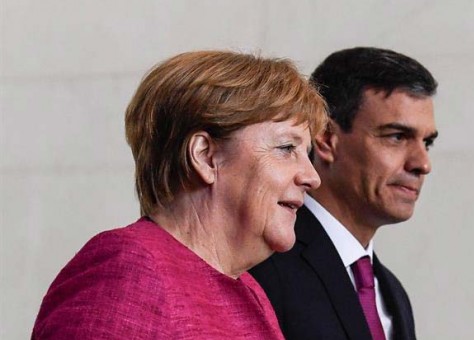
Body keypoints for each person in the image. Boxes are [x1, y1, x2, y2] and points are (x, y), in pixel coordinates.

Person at [32, 50, 327, 339]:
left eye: (306, 153)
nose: (311, 177)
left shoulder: (250, 292)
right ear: (205, 156)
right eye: (287, 148)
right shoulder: (130, 270)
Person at [250, 47, 438, 340]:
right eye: (397, 137)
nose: (422, 164)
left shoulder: (392, 292)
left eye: (427, 143)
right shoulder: (261, 265)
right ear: (325, 139)